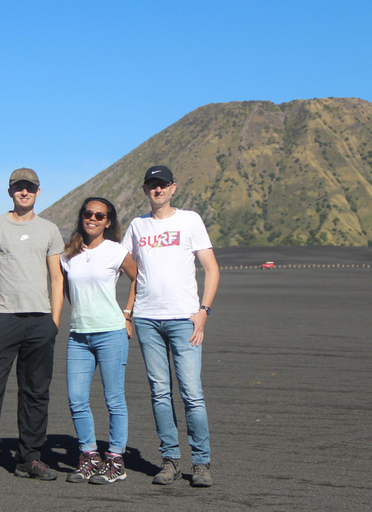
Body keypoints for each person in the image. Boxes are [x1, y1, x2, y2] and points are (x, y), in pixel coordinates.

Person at [0, 168, 65, 486]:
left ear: (38, 191)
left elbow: (57, 277)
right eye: (19, 188)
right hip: (5, 319)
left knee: (35, 392)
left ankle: (29, 457)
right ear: (10, 192)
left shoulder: (49, 230)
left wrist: (54, 321)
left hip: (40, 321)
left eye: (30, 188)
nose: (24, 192)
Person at [122, 165, 220, 488]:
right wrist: (128, 310)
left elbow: (211, 268)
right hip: (148, 319)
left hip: (184, 320)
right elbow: (124, 265)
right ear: (145, 189)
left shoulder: (189, 220)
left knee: (192, 393)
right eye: (152, 185)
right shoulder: (137, 226)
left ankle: (201, 462)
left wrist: (203, 311)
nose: (157, 190)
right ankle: (170, 460)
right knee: (160, 393)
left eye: (162, 184)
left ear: (173, 188)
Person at [61, 197, 137, 485]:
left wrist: (127, 314)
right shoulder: (68, 255)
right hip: (79, 335)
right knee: (77, 398)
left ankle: (115, 459)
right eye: (88, 213)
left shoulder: (116, 251)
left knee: (114, 398)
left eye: (99, 215)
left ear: (108, 221)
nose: (92, 218)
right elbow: (68, 290)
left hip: (111, 332)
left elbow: (137, 279)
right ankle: (89, 456)